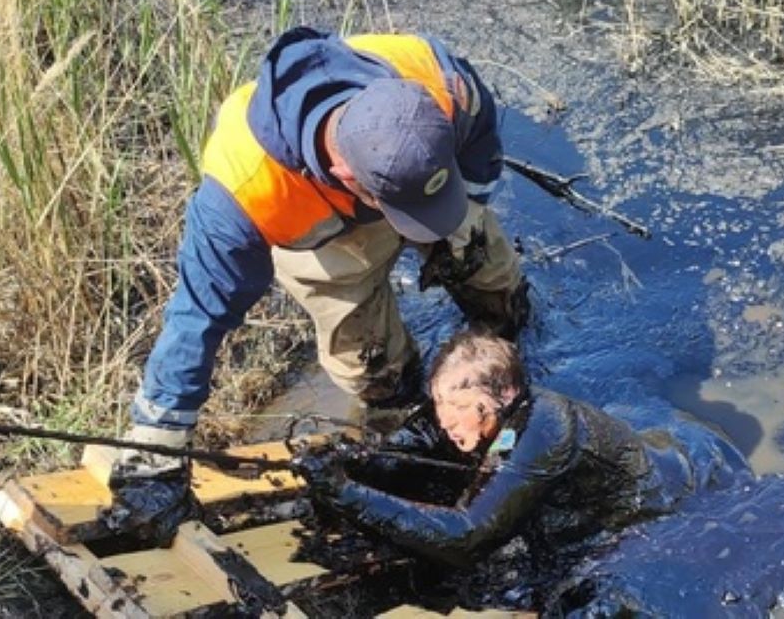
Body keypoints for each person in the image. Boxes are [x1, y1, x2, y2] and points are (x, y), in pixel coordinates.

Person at [98, 28, 530, 540]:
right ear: (346, 174)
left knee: (490, 272)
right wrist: (157, 449)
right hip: (323, 236)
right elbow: (198, 316)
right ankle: (410, 423)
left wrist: (464, 211)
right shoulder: (244, 190)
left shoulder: (437, 83)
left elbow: (479, 141)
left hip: (429, 178)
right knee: (374, 370)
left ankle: (503, 333)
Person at [291, 328, 741, 568]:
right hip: (651, 445)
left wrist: (344, 492)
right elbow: (424, 437)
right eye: (441, 405)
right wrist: (361, 462)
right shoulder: (503, 418)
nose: (447, 422)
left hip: (670, 502)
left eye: (459, 408)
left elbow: (466, 538)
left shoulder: (545, 430)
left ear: (504, 395)